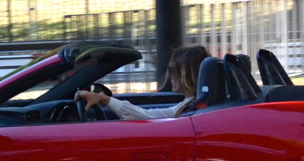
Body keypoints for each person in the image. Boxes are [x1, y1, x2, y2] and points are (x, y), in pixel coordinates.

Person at [75, 45, 209, 119]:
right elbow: (147, 115)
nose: (170, 75)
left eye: (173, 70)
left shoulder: (193, 110)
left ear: (188, 74)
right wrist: (104, 99)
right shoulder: (188, 105)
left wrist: (137, 124)